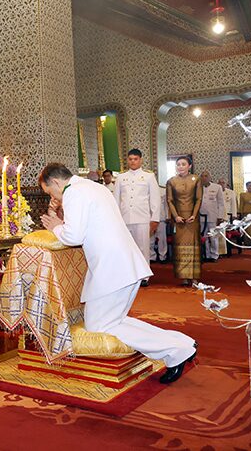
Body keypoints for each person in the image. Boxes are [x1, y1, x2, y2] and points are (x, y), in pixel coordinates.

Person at [39, 163, 197, 384]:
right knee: (115, 321)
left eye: (50, 192)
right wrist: (61, 219)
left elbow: (74, 236)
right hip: (122, 265)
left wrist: (55, 226)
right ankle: (181, 343)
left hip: (112, 268)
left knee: (101, 326)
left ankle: (176, 350)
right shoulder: (94, 187)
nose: (53, 196)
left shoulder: (74, 192)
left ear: (56, 182)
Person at [113, 149, 160, 285]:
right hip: (124, 219)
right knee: (126, 248)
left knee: (143, 248)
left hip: (142, 218)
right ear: (127, 160)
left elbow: (155, 199)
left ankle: (144, 276)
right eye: (130, 159)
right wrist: (115, 219)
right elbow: (116, 200)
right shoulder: (121, 178)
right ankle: (129, 276)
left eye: (135, 159)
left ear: (140, 160)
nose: (132, 161)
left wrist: (155, 219)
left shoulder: (148, 177)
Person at [166, 156, 203, 286]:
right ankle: (184, 277)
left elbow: (199, 199)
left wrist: (194, 215)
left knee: (193, 246)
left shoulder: (196, 179)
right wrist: (175, 216)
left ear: (189, 166)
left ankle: (194, 277)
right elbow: (169, 200)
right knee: (180, 247)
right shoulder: (171, 181)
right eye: (178, 164)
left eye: (183, 164)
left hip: (192, 219)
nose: (180, 167)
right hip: (178, 219)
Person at [199, 171, 224, 262]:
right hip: (201, 216)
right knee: (204, 237)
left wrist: (220, 216)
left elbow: (221, 203)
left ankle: (214, 255)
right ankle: (207, 255)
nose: (204, 178)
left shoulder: (217, 187)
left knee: (213, 237)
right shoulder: (198, 188)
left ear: (210, 177)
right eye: (202, 176)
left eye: (206, 176)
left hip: (213, 216)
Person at [218, 179, 237, 256]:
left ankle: (225, 251)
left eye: (223, 183)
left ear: (226, 184)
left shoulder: (231, 192)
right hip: (217, 215)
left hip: (228, 216)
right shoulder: (216, 191)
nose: (221, 184)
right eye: (219, 183)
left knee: (224, 233)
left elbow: (233, 204)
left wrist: (234, 215)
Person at [150, 186, 169, 263]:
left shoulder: (162, 190)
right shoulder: (145, 190)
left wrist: (167, 216)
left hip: (161, 218)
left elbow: (166, 205)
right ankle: (151, 257)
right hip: (149, 218)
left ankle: (162, 256)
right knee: (150, 240)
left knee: (162, 239)